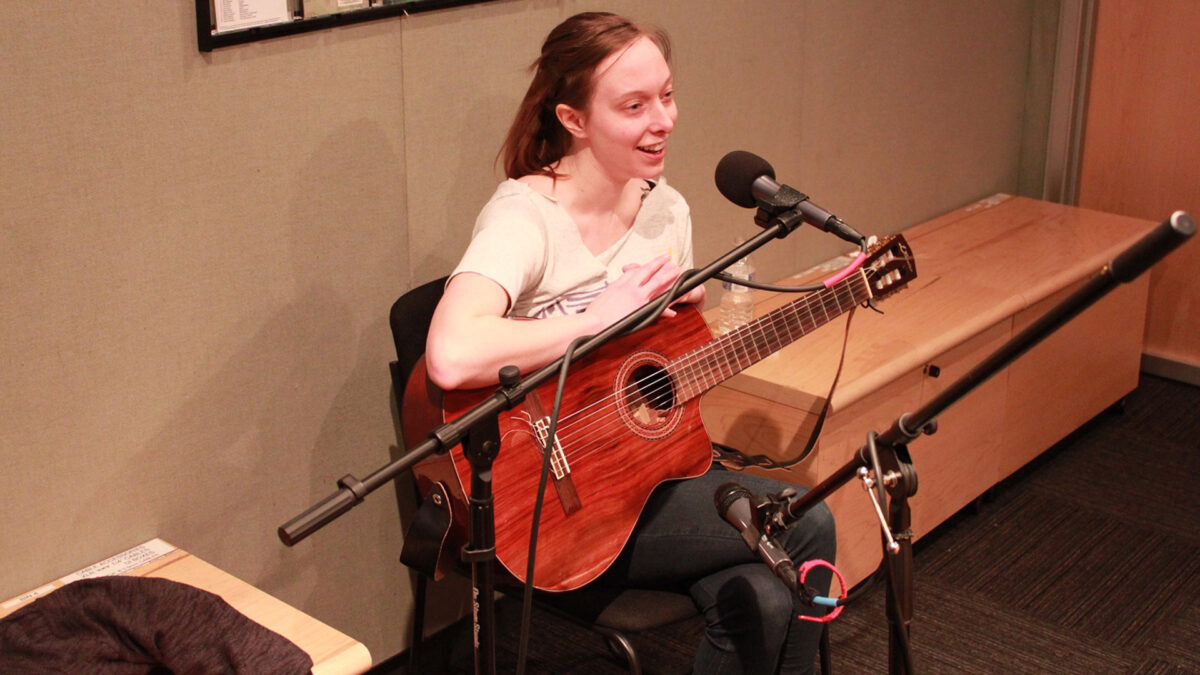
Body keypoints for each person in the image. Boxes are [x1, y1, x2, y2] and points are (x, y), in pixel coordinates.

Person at [425, 12, 836, 674]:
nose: (664, 120)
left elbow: (649, 382)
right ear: (574, 119)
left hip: (637, 478)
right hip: (548, 506)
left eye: (667, 96)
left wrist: (680, 326)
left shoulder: (666, 210)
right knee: (808, 524)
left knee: (759, 593)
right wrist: (598, 318)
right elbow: (449, 351)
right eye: (634, 105)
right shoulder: (525, 217)